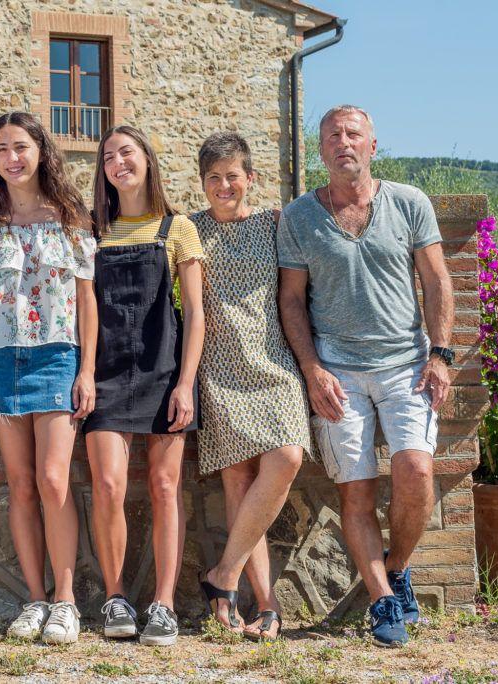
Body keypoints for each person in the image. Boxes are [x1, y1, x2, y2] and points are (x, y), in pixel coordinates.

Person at [278, 105, 454, 648]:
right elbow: (291, 301)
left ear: (373, 145)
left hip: (406, 364)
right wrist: (312, 370)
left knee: (416, 472)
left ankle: (396, 568)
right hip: (337, 373)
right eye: (332, 135)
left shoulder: (408, 203)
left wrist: (441, 354)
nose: (342, 142)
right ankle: (382, 602)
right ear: (321, 149)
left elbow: (437, 281)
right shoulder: (299, 217)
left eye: (353, 134)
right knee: (354, 492)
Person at [0, 112, 97, 644]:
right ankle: (35, 599)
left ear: (41, 151)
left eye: (20, 147)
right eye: (1, 149)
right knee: (19, 484)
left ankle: (66, 603)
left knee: (53, 480)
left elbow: (88, 300)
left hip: (59, 358)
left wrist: (86, 369)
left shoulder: (72, 219)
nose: (11, 158)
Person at [84, 125, 205, 646]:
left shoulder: (177, 229)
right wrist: (85, 373)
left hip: (162, 370)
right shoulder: (91, 229)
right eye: (108, 156)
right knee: (109, 485)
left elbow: (197, 315)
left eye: (126, 152)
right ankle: (115, 597)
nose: (117, 162)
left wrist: (185, 383)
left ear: (147, 160)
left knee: (164, 487)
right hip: (105, 371)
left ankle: (164, 603)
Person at [189, 132, 309, 641]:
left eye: (232, 176)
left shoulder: (275, 225)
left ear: (250, 178)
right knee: (238, 484)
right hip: (218, 365)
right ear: (203, 182)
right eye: (213, 178)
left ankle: (223, 575)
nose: (223, 186)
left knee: (286, 457)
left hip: (274, 362)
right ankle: (265, 607)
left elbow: (297, 295)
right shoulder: (189, 232)